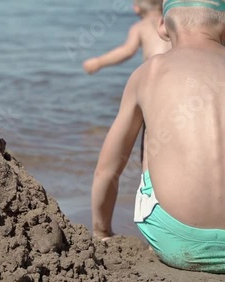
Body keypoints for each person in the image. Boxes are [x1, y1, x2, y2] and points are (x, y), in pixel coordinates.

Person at [91, 0, 225, 273]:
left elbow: (107, 171)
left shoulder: (149, 72)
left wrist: (101, 231)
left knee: (154, 133)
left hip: (176, 242)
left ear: (162, 27)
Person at [83, 0, 171, 74]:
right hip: (176, 68)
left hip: (154, 71)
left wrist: (99, 62)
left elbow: (128, 50)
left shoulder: (140, 27)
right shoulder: (171, 22)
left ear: (136, 8)